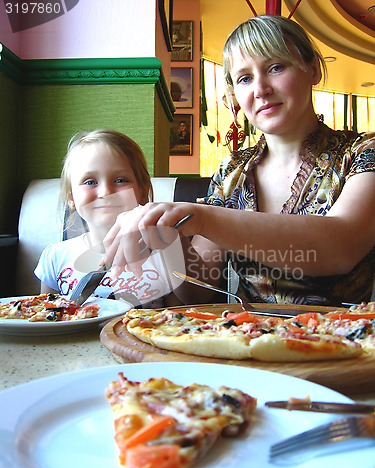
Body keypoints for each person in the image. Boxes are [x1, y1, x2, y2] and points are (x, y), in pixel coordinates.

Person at [101, 15, 375, 307]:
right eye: (245, 78)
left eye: (276, 67)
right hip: (246, 340)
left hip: (341, 342)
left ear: (313, 70)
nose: (260, 89)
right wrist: (170, 236)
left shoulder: (361, 152)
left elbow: (339, 247)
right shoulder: (233, 172)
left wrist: (202, 217)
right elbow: (197, 289)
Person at [34, 129, 180, 307]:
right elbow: (46, 318)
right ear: (71, 197)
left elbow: (181, 314)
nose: (105, 192)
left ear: (143, 191)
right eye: (90, 182)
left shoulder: (161, 253)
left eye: (120, 180)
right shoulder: (55, 257)